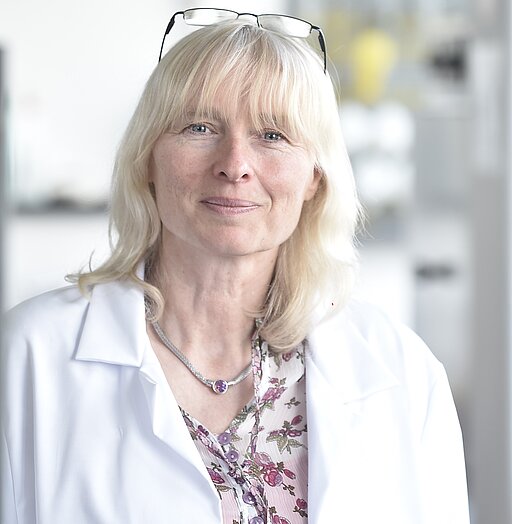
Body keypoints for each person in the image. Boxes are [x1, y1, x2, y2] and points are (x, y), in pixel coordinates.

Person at [1, 8, 470, 524]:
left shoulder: (404, 373)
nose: (235, 165)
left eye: (273, 135)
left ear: (315, 177)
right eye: (200, 127)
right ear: (148, 157)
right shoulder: (27, 357)